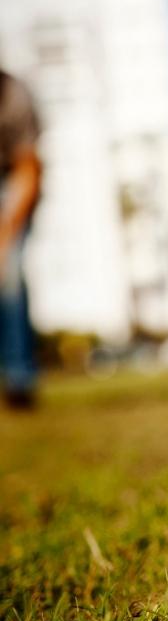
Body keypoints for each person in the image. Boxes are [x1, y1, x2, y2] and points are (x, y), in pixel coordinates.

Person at [0, 68, 42, 409]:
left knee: (8, 276)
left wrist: (6, 231)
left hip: (10, 185)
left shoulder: (13, 95)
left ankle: (19, 377)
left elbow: (27, 168)